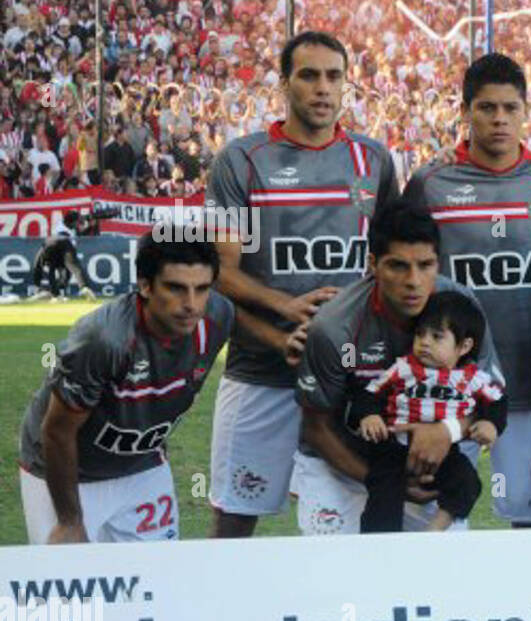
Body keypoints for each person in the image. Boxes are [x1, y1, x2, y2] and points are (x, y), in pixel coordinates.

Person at [205, 31, 399, 538]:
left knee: (351, 523)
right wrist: (284, 315)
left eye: (334, 76)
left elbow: (394, 263)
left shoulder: (373, 161)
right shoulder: (243, 161)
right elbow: (219, 272)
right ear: (285, 84)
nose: (322, 88)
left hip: (351, 379)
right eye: (308, 75)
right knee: (234, 518)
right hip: (260, 372)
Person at [403, 53, 531, 526]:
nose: (500, 119)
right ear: (465, 112)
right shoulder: (431, 183)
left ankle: (530, 605)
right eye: (487, 108)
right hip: (444, 388)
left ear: (526, 111)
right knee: (431, 522)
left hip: (530, 383)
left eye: (511, 107)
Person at [294, 199, 504, 535]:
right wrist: (386, 483)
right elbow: (316, 428)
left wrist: (447, 431)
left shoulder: (463, 310)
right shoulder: (336, 327)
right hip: (341, 462)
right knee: (340, 575)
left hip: (430, 461)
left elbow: (488, 399)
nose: (414, 281)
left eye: (426, 265)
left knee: (433, 577)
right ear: (373, 264)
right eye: (398, 266)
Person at [17, 235, 233, 543]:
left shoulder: (219, 316)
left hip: (143, 465)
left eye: (202, 289)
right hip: (67, 472)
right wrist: (69, 520)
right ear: (145, 286)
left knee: (157, 580)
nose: (191, 304)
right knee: (70, 588)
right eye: (175, 288)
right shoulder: (104, 338)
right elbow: (57, 432)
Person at [352, 291, 507, 532]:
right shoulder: (403, 368)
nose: (424, 342)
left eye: (437, 337)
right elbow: (370, 392)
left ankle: (436, 529)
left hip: (444, 454)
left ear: (464, 346)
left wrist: (491, 424)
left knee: (468, 481)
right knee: (382, 485)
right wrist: (369, 415)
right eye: (420, 334)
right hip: (396, 448)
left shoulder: (473, 378)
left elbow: (497, 402)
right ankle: (380, 540)